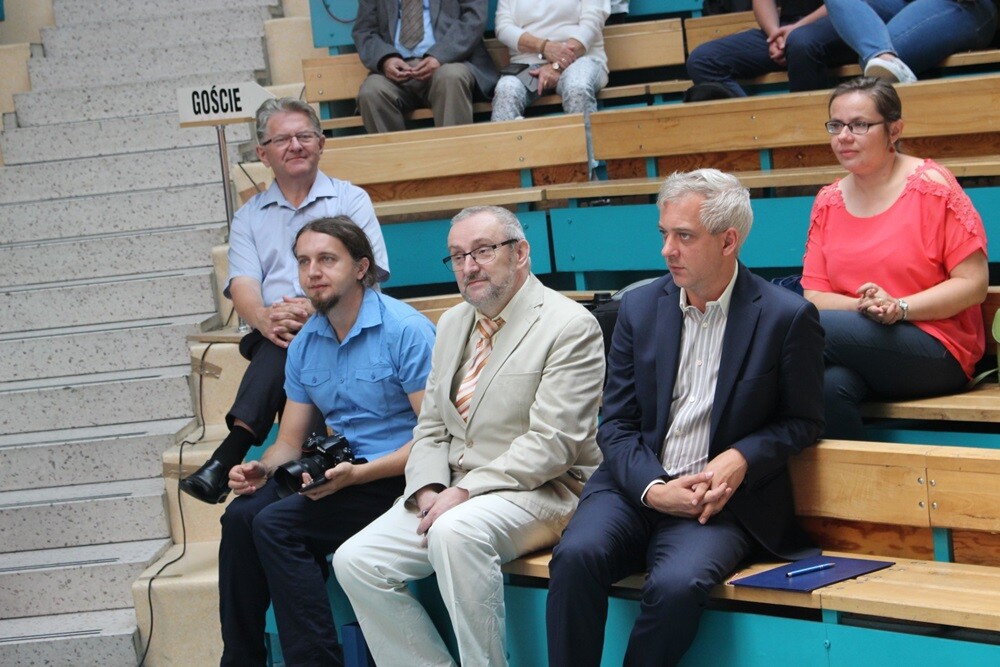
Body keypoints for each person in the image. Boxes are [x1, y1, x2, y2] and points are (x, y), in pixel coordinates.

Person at [546, 169, 826, 667]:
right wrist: (653, 488)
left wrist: (741, 457)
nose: (667, 250)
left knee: (677, 585)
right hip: (633, 488)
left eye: (684, 236)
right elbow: (616, 424)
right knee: (574, 557)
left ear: (728, 241)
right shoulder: (638, 307)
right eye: (664, 234)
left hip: (718, 503)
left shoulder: (786, 316)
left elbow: (803, 420)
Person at [333, 205, 605, 666]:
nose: (468, 266)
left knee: (454, 532)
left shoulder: (569, 325)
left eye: (483, 251)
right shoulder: (453, 322)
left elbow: (553, 445)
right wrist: (428, 487)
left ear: (521, 253)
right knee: (356, 561)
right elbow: (431, 427)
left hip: (543, 489)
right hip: (454, 490)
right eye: (457, 256)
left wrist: (463, 491)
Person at [217, 217, 435, 666]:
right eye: (303, 261)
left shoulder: (405, 330)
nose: (312, 271)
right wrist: (263, 468)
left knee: (277, 526)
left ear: (361, 267)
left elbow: (435, 438)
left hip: (400, 474)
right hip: (340, 471)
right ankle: (241, 660)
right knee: (239, 516)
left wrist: (359, 476)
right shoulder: (305, 344)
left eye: (327, 259)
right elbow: (289, 442)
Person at [179, 98, 390, 505]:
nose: (295, 145)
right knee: (284, 342)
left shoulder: (349, 200)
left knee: (294, 344)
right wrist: (264, 318)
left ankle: (228, 456)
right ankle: (302, 471)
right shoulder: (250, 216)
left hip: (343, 323)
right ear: (263, 154)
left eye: (304, 136)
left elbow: (372, 271)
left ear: (321, 143)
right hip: (277, 333)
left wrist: (315, 309)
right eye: (282, 139)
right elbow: (243, 282)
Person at [801, 77, 988, 440]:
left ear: (894, 130)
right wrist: (868, 308)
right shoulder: (828, 201)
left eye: (859, 125)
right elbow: (815, 294)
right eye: (836, 125)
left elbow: (973, 284)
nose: (844, 136)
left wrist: (899, 307)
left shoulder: (932, 186)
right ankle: (859, 480)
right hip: (858, 342)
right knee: (828, 388)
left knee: (801, 326)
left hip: (936, 346)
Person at [352, 0, 500, 133]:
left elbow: (474, 18)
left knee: (451, 77)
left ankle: (453, 154)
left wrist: (440, 55)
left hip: (449, 62)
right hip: (396, 72)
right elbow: (364, 31)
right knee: (371, 91)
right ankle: (394, 156)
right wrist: (385, 59)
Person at [684, 0, 855, 98]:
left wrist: (794, 31)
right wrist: (774, 34)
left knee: (800, 43)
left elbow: (846, 4)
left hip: (841, 24)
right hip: (787, 30)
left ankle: (806, 132)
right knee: (702, 60)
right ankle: (756, 128)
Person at [824, 0, 998, 84]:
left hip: (966, 5)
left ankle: (882, 56)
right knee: (877, 57)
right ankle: (882, 55)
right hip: (905, 3)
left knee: (877, 57)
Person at [491, 0, 610, 121]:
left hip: (580, 58)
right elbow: (503, 27)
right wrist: (543, 46)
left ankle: (582, 134)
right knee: (506, 90)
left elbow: (592, 22)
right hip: (527, 63)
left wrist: (557, 65)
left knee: (577, 86)